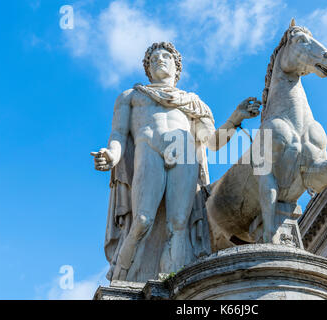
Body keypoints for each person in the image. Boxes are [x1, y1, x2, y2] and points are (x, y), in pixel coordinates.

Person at [91, 42, 261, 281]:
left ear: (176, 67)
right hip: (148, 149)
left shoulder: (193, 103)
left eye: (166, 56)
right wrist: (111, 155)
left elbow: (211, 142)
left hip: (184, 153)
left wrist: (234, 118)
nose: (159, 59)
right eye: (153, 58)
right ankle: (120, 278)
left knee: (179, 224)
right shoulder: (132, 96)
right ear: (148, 69)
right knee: (141, 221)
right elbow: (118, 134)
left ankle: (173, 284)